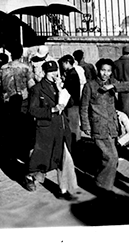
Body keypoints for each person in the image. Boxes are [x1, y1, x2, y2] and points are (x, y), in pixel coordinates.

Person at [24, 61, 78, 200]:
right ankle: (30, 176)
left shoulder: (59, 86)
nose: (54, 74)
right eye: (50, 72)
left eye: (56, 71)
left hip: (61, 126)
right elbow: (32, 110)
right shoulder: (37, 89)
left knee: (63, 157)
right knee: (42, 158)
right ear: (44, 73)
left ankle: (63, 188)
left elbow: (70, 104)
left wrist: (62, 89)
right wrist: (52, 109)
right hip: (46, 128)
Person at [80, 58, 129, 197]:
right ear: (98, 70)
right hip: (98, 126)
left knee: (107, 158)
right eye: (103, 70)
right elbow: (84, 107)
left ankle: (102, 181)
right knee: (112, 157)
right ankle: (103, 187)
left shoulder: (111, 83)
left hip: (112, 127)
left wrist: (113, 87)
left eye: (108, 71)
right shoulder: (89, 86)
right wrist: (85, 125)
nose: (105, 74)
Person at [0, 44, 35, 164]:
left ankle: (10, 152)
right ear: (21, 54)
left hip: (7, 101)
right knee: (23, 127)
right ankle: (22, 152)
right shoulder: (26, 67)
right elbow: (31, 85)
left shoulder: (3, 68)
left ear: (11, 54)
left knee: (10, 126)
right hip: (23, 101)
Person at [59, 55, 82, 143]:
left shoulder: (72, 74)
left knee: (72, 125)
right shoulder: (72, 73)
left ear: (67, 63)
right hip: (73, 102)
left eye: (63, 64)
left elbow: (68, 90)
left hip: (72, 103)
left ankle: (74, 142)